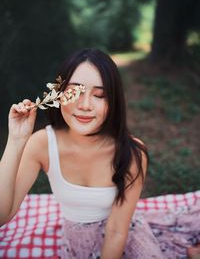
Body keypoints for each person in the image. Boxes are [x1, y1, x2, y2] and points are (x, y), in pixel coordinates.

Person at [0, 48, 198, 259]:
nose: (85, 105)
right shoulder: (42, 144)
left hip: (124, 232)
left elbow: (117, 230)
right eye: (75, 92)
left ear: (113, 102)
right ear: (57, 94)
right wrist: (16, 141)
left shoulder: (132, 152)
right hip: (78, 244)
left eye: (100, 95)